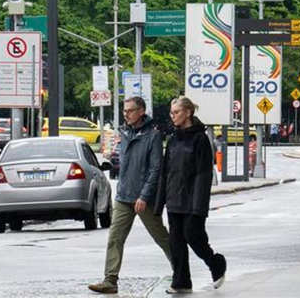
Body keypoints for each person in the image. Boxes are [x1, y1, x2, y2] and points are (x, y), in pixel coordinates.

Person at [88, 97, 172, 294]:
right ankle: (110, 279)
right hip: (124, 196)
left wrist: (144, 196)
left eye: (130, 111)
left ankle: (181, 271)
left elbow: (155, 170)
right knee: (115, 237)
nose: (126, 114)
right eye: (125, 111)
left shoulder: (152, 136)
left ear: (141, 111)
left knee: (161, 237)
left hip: (144, 198)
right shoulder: (124, 132)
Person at [156, 96, 227, 294]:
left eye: (176, 112)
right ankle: (182, 282)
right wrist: (159, 203)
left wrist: (199, 206)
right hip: (173, 199)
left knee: (193, 237)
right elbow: (165, 172)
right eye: (171, 113)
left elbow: (204, 175)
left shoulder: (201, 139)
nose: (173, 117)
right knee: (176, 243)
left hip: (192, 201)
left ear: (188, 112)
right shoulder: (172, 140)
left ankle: (216, 264)